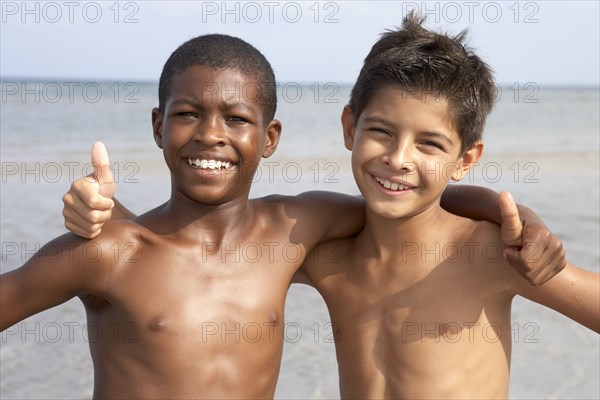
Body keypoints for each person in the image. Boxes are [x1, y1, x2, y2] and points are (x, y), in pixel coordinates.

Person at [34, 34, 560, 399]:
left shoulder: (301, 228)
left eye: (235, 118)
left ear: (270, 139)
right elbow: (166, 251)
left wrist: (518, 216)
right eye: (188, 114)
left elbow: (417, 204)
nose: (211, 134)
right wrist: (101, 212)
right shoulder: (109, 251)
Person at [296, 13, 599, 399]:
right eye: (381, 131)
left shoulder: (492, 252)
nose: (399, 158)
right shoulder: (328, 257)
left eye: (429, 144)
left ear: (466, 160)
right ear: (349, 127)